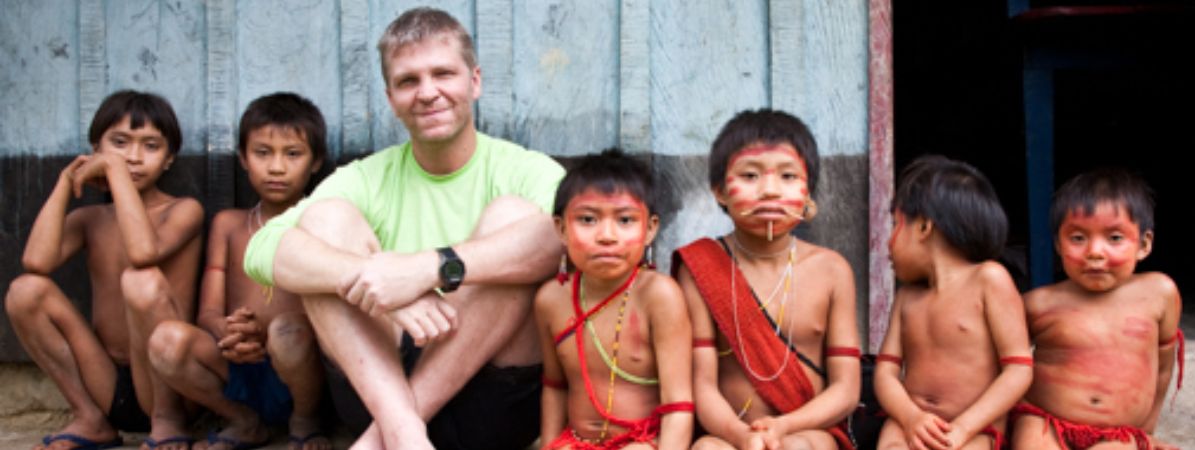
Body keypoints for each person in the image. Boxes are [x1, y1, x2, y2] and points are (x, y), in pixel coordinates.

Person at [242, 7, 565, 450]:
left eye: (443, 74)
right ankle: (404, 432)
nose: (428, 92)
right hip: (379, 386)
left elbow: (563, 241)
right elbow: (262, 248)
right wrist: (373, 281)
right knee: (323, 223)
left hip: (493, 401)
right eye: (408, 81)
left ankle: (384, 440)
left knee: (514, 220)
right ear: (391, 97)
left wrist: (430, 268)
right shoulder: (366, 177)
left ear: (474, 81)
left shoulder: (526, 170)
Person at [5, 90, 204, 450]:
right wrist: (67, 183)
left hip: (170, 384)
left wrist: (114, 172)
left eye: (150, 146)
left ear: (169, 159)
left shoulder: (183, 211)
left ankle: (167, 420)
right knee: (25, 290)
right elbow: (36, 261)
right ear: (95, 148)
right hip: (107, 381)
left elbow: (143, 252)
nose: (132, 157)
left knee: (141, 280)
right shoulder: (91, 219)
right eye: (119, 143)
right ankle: (90, 418)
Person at [147, 93, 330, 450]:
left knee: (286, 332)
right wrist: (229, 333)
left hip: (297, 364)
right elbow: (208, 312)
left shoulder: (322, 223)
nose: (276, 167)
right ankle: (243, 421)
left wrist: (264, 336)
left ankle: (305, 420)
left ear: (315, 161)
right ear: (244, 159)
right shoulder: (229, 225)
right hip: (234, 363)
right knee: (165, 341)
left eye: (292, 154)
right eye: (263, 153)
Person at [674, 109, 861, 450]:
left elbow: (846, 389)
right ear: (720, 191)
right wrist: (741, 436)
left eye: (788, 177)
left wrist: (783, 427)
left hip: (806, 430)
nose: (770, 191)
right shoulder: (699, 266)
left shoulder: (832, 270)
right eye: (750, 176)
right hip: (727, 434)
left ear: (808, 195)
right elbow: (701, 384)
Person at [1011, 169, 1183, 450]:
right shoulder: (1038, 303)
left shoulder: (1159, 294)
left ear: (1144, 244)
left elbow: (1163, 366)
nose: (1094, 251)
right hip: (1045, 421)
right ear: (1058, 244)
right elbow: (1002, 364)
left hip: (1117, 433)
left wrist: (1145, 430)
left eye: (1114, 238)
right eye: (1078, 238)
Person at [535, 149, 694, 449]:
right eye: (587, 219)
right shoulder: (551, 299)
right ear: (560, 228)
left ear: (650, 230)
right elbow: (555, 388)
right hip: (577, 441)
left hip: (643, 441)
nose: (606, 236)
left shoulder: (659, 295)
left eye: (624, 220)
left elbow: (678, 405)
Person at [872, 155, 1032, 450]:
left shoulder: (988, 279)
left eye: (895, 225)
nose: (886, 243)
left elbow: (1019, 370)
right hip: (909, 422)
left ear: (923, 228)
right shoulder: (907, 296)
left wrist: (963, 428)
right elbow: (885, 373)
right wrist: (910, 418)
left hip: (975, 428)